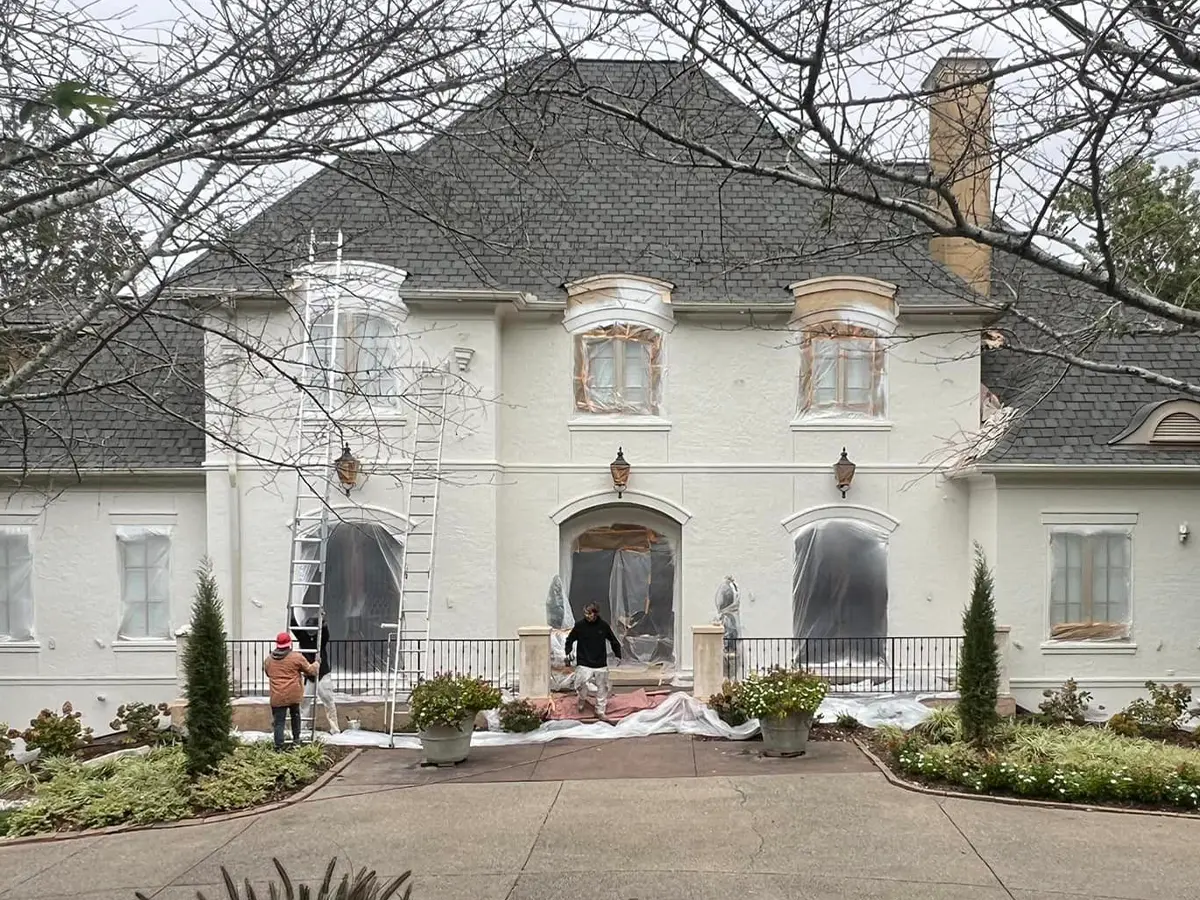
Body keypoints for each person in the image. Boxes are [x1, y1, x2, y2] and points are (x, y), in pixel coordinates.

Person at [262, 632, 319, 750]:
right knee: (295, 716)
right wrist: (317, 663)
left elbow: (268, 673)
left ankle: (278, 747)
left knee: (279, 723)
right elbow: (310, 671)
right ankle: (296, 741)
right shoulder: (296, 657)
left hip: (277, 696)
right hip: (294, 694)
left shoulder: (268, 660)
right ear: (290, 644)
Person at [564, 603, 622, 718]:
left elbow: (613, 641)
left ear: (595, 613)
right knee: (580, 684)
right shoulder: (580, 626)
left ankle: (600, 710)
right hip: (584, 661)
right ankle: (582, 698)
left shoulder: (603, 626)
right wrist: (568, 651)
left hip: (600, 662)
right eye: (585, 613)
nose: (587, 616)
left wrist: (618, 655)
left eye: (589, 613)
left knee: (603, 687)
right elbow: (569, 640)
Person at [291, 612, 341, 734]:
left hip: (322, 673)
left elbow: (325, 634)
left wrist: (323, 621)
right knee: (304, 702)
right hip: (309, 675)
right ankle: (302, 728)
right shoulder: (303, 637)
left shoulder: (320, 639)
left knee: (328, 701)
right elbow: (294, 628)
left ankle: (335, 729)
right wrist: (292, 612)